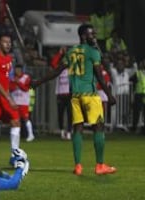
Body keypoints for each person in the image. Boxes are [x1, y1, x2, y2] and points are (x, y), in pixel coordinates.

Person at [33, 23, 117, 176]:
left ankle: (78, 166)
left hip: (75, 96)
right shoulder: (93, 52)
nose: (94, 37)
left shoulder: (71, 52)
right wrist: (109, 95)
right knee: (98, 127)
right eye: (91, 34)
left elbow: (57, 71)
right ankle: (100, 165)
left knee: (77, 129)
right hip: (90, 95)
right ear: (83, 35)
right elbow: (100, 76)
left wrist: (38, 82)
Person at [0, 32, 22, 152]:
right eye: (5, 42)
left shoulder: (9, 59)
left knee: (16, 121)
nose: (8, 44)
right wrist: (9, 98)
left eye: (9, 42)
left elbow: (5, 80)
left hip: (4, 96)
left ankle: (14, 154)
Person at [50, 47, 72, 140]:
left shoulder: (72, 69)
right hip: (60, 94)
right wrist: (59, 53)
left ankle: (69, 132)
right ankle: (62, 131)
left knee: (70, 114)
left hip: (70, 94)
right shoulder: (59, 70)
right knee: (60, 114)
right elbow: (53, 63)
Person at [9, 64, 35, 142]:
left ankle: (31, 134)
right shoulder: (12, 78)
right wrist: (16, 84)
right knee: (16, 119)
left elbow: (26, 88)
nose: (17, 71)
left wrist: (18, 83)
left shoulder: (26, 77)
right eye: (16, 70)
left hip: (23, 102)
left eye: (19, 70)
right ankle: (17, 136)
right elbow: (10, 88)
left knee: (26, 118)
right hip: (15, 102)